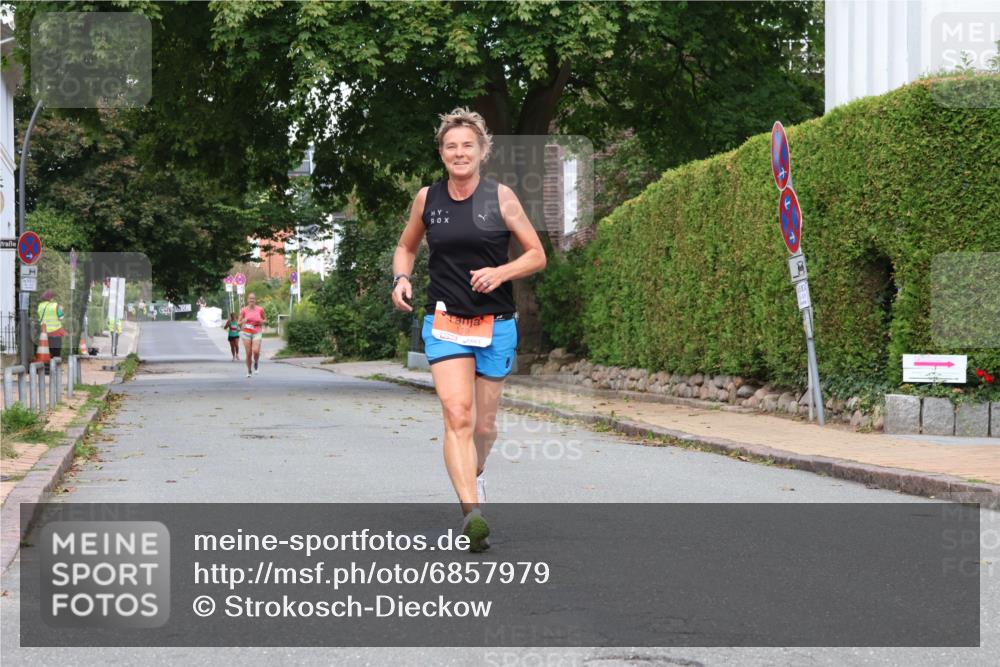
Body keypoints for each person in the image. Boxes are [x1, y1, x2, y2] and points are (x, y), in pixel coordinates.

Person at [391, 108, 546, 551]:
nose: (459, 153)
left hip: (495, 325)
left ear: (481, 151)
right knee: (458, 415)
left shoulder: (502, 198)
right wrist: (401, 278)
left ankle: (473, 472)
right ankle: (471, 514)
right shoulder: (428, 199)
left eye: (467, 146)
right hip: (446, 322)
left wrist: (501, 273)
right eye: (451, 146)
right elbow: (406, 246)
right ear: (441, 153)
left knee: (484, 428)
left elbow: (536, 254)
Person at [238, 293, 267, 377]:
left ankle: (256, 362)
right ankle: (249, 370)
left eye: (253, 299)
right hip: (246, 332)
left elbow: (265, 320)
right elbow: (238, 322)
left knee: (256, 350)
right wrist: (243, 321)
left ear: (255, 300)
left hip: (257, 331)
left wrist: (262, 321)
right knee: (248, 353)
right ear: (247, 300)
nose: (251, 300)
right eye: (250, 299)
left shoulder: (260, 309)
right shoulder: (243, 310)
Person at [37, 290, 67, 359]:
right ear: (51, 298)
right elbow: (61, 317)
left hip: (44, 333)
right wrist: (61, 310)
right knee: (56, 353)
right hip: (55, 332)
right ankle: (56, 368)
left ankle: (48, 367)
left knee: (48, 352)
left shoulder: (40, 306)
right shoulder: (55, 305)